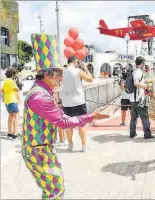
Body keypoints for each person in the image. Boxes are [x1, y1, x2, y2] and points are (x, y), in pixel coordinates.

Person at [21, 62, 109, 199]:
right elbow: (63, 122)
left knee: (53, 189)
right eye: (59, 74)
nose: (62, 78)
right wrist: (92, 116)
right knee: (55, 189)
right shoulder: (40, 96)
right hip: (38, 151)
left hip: (40, 149)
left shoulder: (40, 91)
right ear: (46, 75)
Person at [60, 56, 93, 152]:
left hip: (66, 102)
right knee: (81, 125)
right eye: (77, 62)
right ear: (75, 62)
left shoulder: (62, 72)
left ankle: (70, 145)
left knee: (69, 125)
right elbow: (90, 79)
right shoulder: (78, 71)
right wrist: (86, 68)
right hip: (78, 101)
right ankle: (83, 146)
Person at [129, 56, 155, 139]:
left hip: (133, 99)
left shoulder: (134, 71)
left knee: (133, 117)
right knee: (145, 117)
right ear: (142, 63)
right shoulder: (138, 72)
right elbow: (136, 83)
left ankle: (132, 133)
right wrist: (145, 86)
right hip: (139, 99)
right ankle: (147, 134)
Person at [0, 68, 20, 140]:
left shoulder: (6, 81)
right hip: (12, 101)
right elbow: (17, 89)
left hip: (7, 101)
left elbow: (1, 90)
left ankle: (10, 133)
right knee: (15, 117)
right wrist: (15, 83)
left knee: (11, 116)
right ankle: (15, 134)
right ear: (13, 75)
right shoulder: (11, 81)